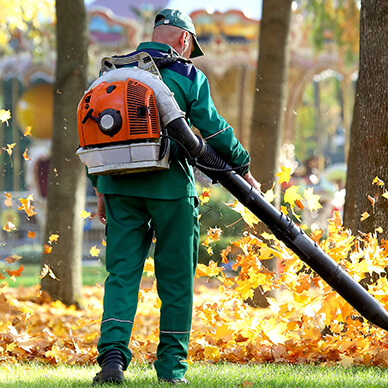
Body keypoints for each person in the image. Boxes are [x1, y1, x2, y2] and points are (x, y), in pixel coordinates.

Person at [90, 8, 260, 386]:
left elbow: (94, 135)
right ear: (184, 40)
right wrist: (243, 167)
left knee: (121, 276)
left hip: (118, 188)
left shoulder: (110, 74)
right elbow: (213, 132)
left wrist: (99, 188)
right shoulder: (186, 74)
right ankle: (170, 370)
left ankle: (113, 358)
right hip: (170, 191)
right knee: (176, 281)